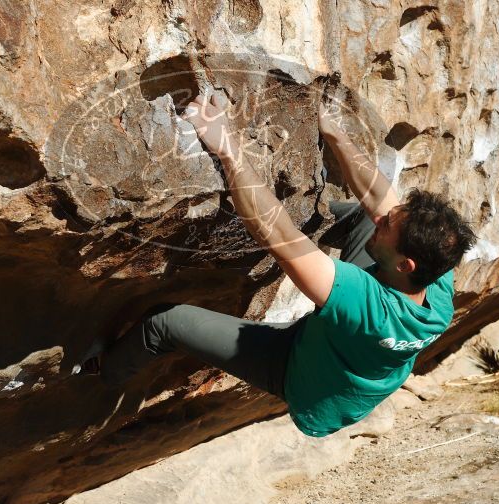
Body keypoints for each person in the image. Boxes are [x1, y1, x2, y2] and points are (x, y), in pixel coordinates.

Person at [79, 92, 476, 438]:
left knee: (166, 322)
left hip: (301, 372)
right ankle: (312, 236)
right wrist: (333, 130)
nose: (384, 217)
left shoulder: (366, 306)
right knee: (359, 216)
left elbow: (279, 237)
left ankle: (103, 371)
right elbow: (377, 198)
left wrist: (227, 147)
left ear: (405, 265)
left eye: (388, 227)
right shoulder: (436, 276)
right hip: (347, 348)